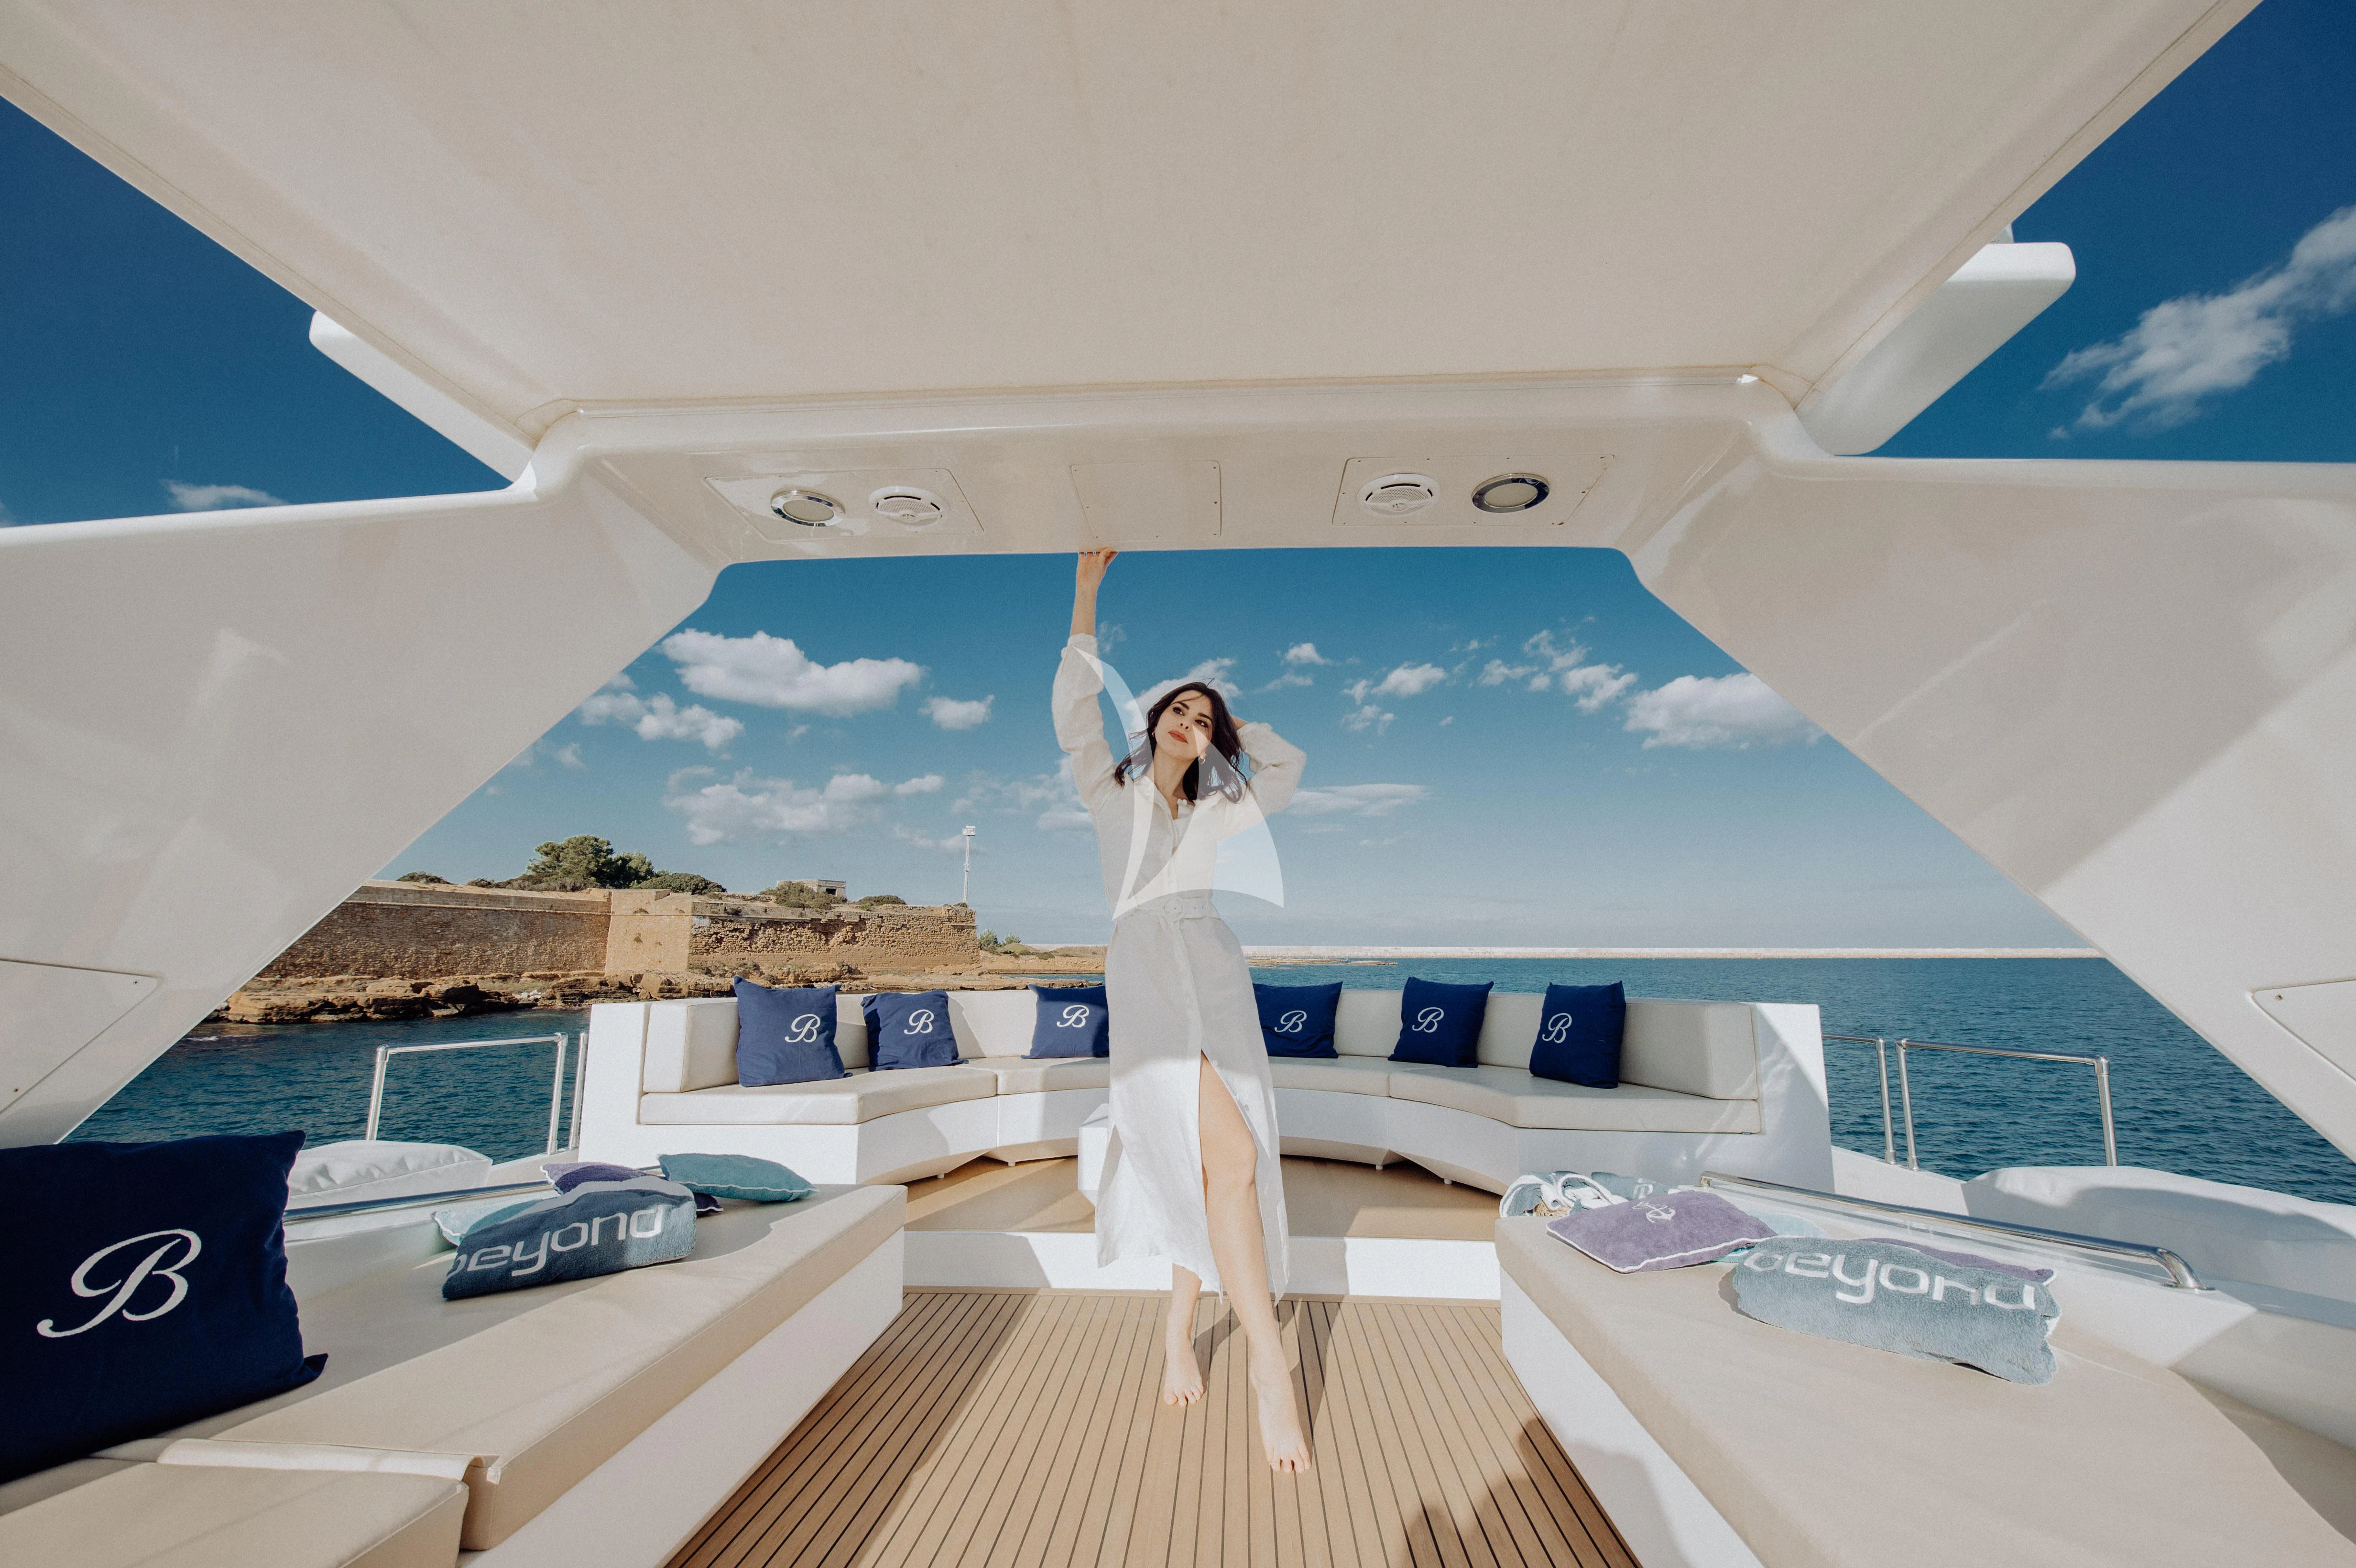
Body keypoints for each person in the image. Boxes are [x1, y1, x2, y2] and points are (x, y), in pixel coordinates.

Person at [1054, 547, 1311, 1472]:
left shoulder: (1217, 813)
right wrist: (1088, 591)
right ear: (1153, 720)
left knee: (1207, 1165)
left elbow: (1289, 764)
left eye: (1203, 719)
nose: (1187, 724)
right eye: (1177, 710)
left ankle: (1177, 1331)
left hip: (1214, 969)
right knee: (1227, 1156)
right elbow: (1072, 709)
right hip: (1146, 973)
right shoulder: (1109, 794)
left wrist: (1235, 731)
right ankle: (1271, 1368)